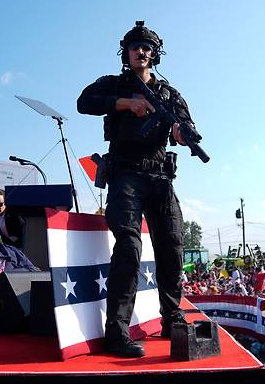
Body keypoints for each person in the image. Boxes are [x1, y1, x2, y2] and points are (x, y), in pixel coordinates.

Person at [77, 21, 198, 357]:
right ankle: (117, 332)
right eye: (135, 47)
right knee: (129, 248)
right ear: (126, 53)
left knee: (172, 245)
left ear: (154, 55)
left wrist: (180, 132)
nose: (142, 52)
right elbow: (83, 102)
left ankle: (173, 318)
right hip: (126, 175)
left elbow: (187, 126)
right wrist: (125, 104)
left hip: (160, 176)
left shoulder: (169, 94)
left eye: (147, 48)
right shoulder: (113, 84)